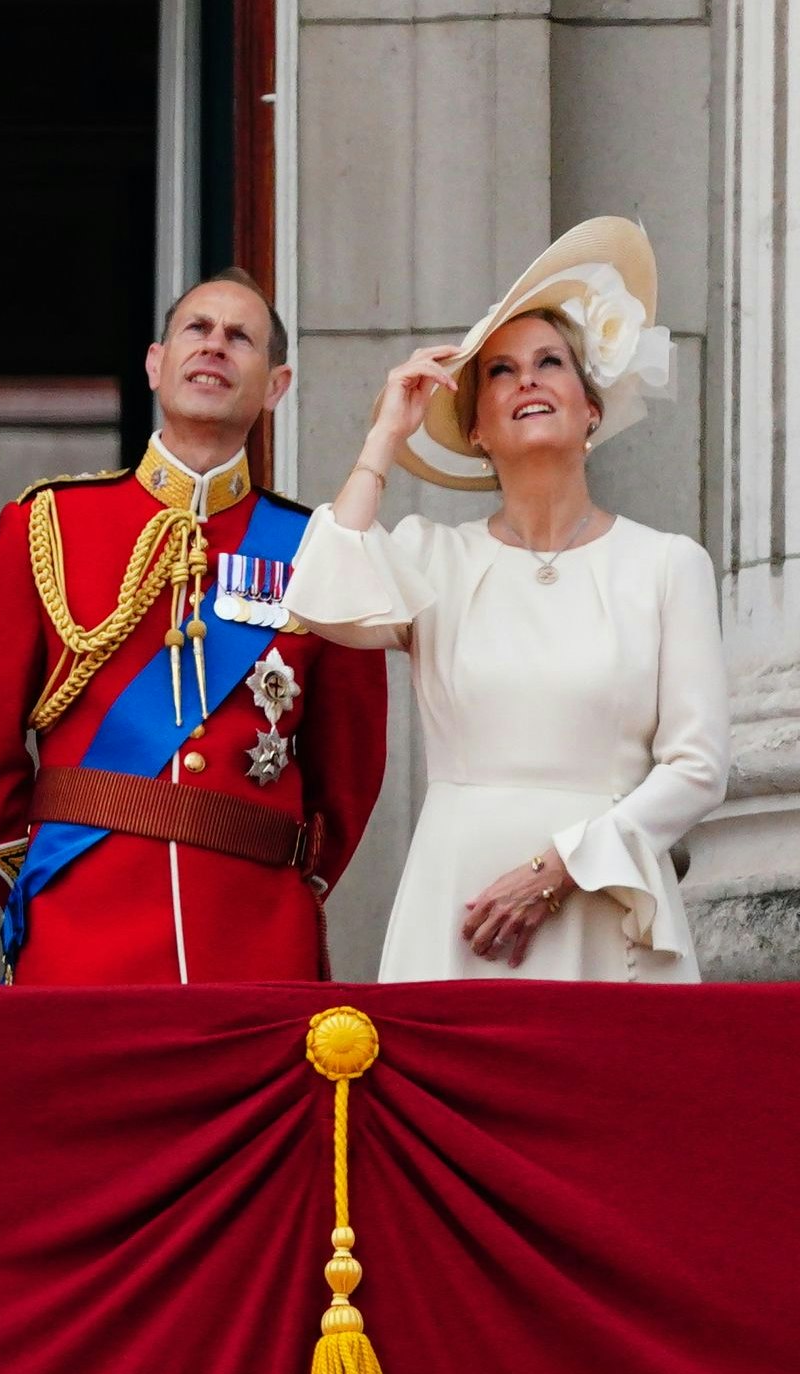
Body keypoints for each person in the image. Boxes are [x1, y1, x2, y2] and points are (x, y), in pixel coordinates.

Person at [286, 218, 726, 981]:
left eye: (550, 362)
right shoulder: (434, 558)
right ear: (478, 429)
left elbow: (698, 768)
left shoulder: (665, 565)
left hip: (603, 904)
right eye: (499, 371)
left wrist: (563, 864)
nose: (527, 379)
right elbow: (321, 599)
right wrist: (387, 433)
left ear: (591, 409)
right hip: (458, 906)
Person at [0, 270, 385, 983]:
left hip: (255, 940)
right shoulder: (50, 523)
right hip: (82, 927)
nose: (215, 347)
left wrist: (288, 889)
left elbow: (348, 773)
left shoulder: (315, 552)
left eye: (241, 338)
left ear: (277, 385)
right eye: (196, 330)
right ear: (155, 362)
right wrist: (44, 866)